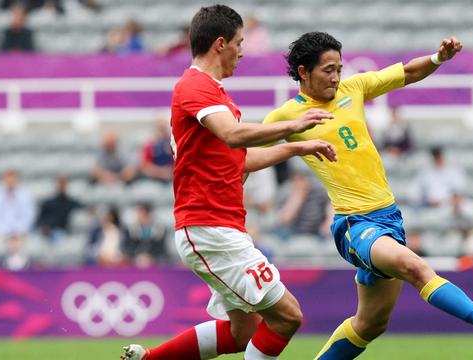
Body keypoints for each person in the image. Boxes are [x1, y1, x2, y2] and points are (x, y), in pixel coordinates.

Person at [263, 32, 473, 358]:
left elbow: (409, 72)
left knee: (370, 324)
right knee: (415, 267)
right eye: (328, 69)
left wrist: (439, 58)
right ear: (303, 72)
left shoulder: (352, 89)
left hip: (389, 218)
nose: (336, 76)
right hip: (355, 225)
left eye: (339, 68)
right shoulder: (286, 116)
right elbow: (244, 147)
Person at [121, 5, 337, 360]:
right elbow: (234, 135)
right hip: (208, 226)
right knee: (287, 316)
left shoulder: (216, 94)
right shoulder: (195, 86)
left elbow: (240, 162)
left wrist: (298, 147)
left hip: (221, 225)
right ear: (220, 44)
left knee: (242, 333)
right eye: (239, 42)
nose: (242, 50)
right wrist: (292, 125)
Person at [35, 175, 83, 242]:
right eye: (60, 183)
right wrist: (44, 227)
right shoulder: (48, 202)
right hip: (45, 231)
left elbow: (82, 207)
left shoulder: (70, 202)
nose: (61, 186)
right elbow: (39, 219)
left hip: (60, 232)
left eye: (63, 183)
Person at [124, 202, 168, 268]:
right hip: (135, 260)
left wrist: (151, 257)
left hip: (154, 260)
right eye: (139, 215)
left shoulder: (159, 230)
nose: (139, 217)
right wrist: (137, 257)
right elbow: (128, 248)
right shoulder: (131, 230)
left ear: (149, 215)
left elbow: (161, 249)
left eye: (143, 215)